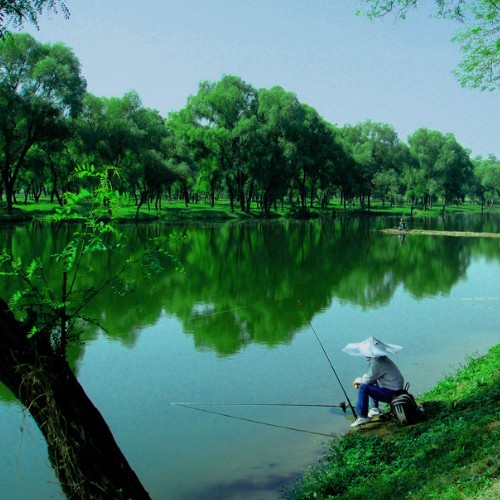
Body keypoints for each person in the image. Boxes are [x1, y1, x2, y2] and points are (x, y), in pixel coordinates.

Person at [351, 355, 404, 427]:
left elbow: (367, 380)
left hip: (392, 393)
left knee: (363, 387)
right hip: (397, 389)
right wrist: (361, 379)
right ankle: (374, 408)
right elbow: (372, 375)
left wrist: (357, 381)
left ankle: (362, 417)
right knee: (372, 381)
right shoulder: (382, 358)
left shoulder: (376, 362)